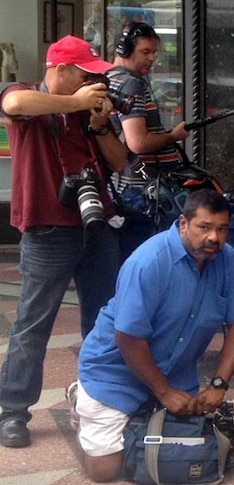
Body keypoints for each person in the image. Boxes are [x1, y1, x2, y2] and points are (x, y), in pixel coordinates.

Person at [70, 188, 234, 481]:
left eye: (222, 229)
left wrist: (219, 384)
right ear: (183, 223)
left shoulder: (227, 259)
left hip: (175, 374)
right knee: (105, 472)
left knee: (186, 452)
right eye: (204, 227)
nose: (214, 238)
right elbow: (128, 337)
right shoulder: (147, 262)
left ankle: (134, 419)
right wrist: (164, 392)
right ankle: (82, 400)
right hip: (115, 373)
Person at [0, 35, 129, 449]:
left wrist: (96, 123)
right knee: (32, 325)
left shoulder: (85, 111)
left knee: (104, 321)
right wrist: (74, 104)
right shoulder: (27, 97)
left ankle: (100, 401)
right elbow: (13, 107)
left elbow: (119, 161)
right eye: (85, 73)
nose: (93, 81)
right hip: (47, 229)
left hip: (97, 226)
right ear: (59, 70)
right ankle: (12, 412)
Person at [107, 21, 190, 258]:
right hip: (143, 191)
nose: (152, 58)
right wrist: (173, 136)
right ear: (123, 49)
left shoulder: (110, 77)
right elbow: (138, 142)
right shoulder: (131, 82)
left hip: (128, 187)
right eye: (145, 52)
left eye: (154, 52)